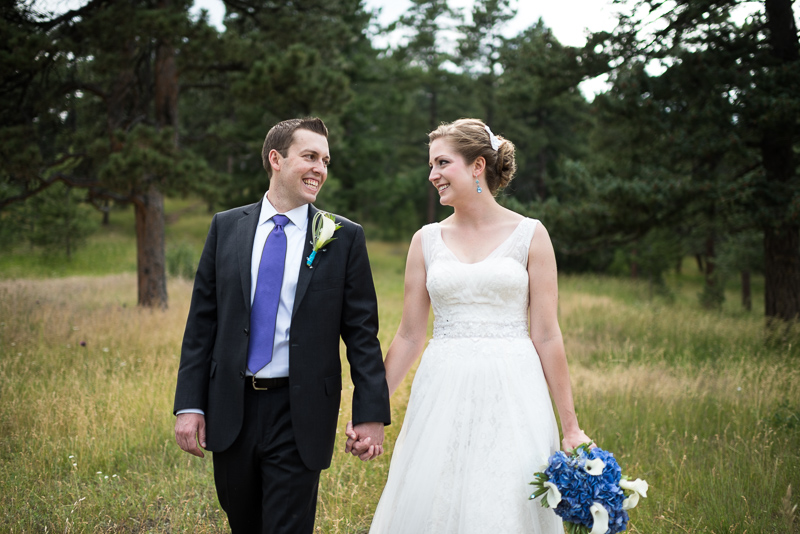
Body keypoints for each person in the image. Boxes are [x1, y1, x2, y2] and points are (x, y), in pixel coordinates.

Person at [348, 118, 593, 533]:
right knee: (436, 503)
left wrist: (570, 428)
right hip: (442, 390)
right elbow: (409, 335)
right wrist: (370, 410)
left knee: (504, 503)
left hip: (515, 394)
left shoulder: (531, 235)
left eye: (442, 163)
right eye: (430, 165)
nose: (432, 175)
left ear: (478, 165)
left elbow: (547, 334)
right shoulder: (424, 240)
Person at [173, 117, 391, 534]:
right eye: (309, 156)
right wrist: (190, 404)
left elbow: (362, 335)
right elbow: (202, 323)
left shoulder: (343, 237)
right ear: (276, 159)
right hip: (230, 407)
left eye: (325, 160)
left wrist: (370, 413)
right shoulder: (226, 227)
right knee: (244, 523)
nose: (320, 169)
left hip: (301, 411)